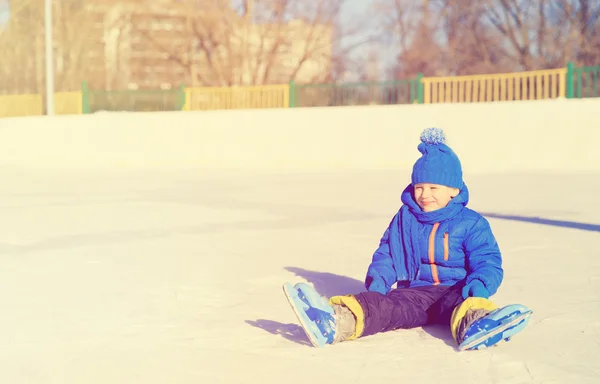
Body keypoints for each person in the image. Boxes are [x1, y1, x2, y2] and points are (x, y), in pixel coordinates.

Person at [283, 127, 531, 350]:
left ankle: (478, 326)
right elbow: (388, 253)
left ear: (454, 190)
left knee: (466, 305)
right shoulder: (405, 219)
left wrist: (479, 285)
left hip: (456, 289)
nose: (425, 195)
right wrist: (379, 282)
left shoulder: (471, 223)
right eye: (419, 187)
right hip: (414, 292)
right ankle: (336, 321)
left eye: (434, 188)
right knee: (383, 307)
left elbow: (487, 260)